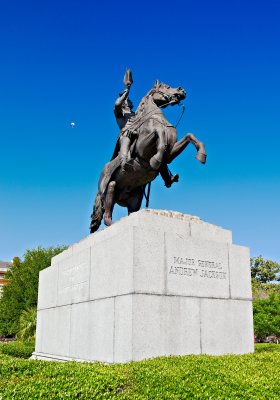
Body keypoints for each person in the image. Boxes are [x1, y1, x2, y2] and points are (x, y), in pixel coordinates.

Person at [112, 71, 179, 187]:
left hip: (139, 133)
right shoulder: (120, 113)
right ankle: (124, 162)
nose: (130, 101)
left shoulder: (136, 114)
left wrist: (170, 100)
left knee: (157, 149)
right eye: (128, 101)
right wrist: (126, 91)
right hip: (127, 133)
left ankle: (167, 178)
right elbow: (117, 104)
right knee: (126, 139)